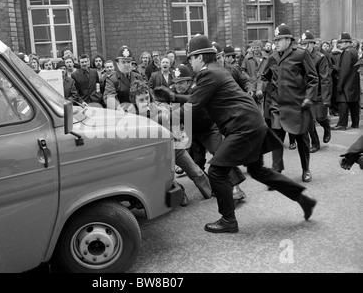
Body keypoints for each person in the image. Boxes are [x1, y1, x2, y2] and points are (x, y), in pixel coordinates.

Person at [155, 34, 317, 233]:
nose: (190, 62)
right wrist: (174, 96)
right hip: (251, 122)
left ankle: (228, 220)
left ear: (199, 57)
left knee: (216, 171)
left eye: (190, 58)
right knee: (258, 171)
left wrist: (158, 119)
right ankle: (303, 198)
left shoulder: (208, 74)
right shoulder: (215, 70)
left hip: (243, 126)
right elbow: (200, 96)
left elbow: (193, 107)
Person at [167, 64, 247, 201]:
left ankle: (235, 187)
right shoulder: (172, 94)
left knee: (221, 154)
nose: (178, 86)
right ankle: (213, 187)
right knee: (195, 163)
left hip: (208, 128)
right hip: (191, 133)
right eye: (176, 83)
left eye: (181, 82)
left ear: (189, 81)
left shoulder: (197, 90)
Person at [128, 79, 212, 203]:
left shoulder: (158, 109)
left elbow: (172, 124)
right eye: (141, 100)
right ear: (133, 101)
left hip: (174, 146)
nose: (145, 102)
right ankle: (180, 193)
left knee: (195, 171)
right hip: (154, 153)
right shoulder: (131, 116)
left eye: (147, 98)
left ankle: (211, 191)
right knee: (165, 178)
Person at [261, 23, 319, 183]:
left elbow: (313, 79)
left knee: (302, 140)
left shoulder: (300, 54)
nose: (276, 43)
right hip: (278, 106)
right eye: (275, 40)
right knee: (276, 140)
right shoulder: (272, 57)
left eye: (279, 39)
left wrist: (308, 97)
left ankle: (306, 169)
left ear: (288, 40)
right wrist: (267, 92)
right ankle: (276, 173)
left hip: (297, 106)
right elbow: (265, 76)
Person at [299, 31, 332, 153]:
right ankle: (315, 143)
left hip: (318, 93)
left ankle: (326, 127)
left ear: (313, 44)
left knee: (320, 117)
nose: (304, 47)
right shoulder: (299, 56)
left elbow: (325, 79)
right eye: (302, 44)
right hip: (306, 93)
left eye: (306, 44)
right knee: (309, 120)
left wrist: (326, 98)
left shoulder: (320, 58)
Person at [332, 32, 361, 130]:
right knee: (354, 103)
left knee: (343, 102)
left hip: (346, 83)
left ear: (347, 43)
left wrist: (340, 85)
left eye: (341, 42)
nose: (339, 44)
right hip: (353, 83)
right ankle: (355, 123)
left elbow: (344, 70)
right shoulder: (354, 51)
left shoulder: (347, 52)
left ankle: (342, 124)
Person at [103, 45, 144, 110]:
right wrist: (119, 109)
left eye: (128, 62)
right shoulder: (112, 80)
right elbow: (109, 97)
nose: (127, 65)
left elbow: (144, 93)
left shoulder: (138, 77)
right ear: (117, 64)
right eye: (123, 62)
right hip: (122, 114)